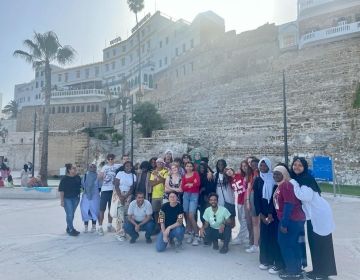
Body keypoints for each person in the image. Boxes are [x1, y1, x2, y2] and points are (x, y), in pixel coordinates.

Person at [291, 157, 337, 280]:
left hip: (319, 214)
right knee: (314, 243)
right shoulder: (300, 178)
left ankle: (324, 273)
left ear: (304, 167)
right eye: (295, 164)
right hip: (313, 215)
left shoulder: (306, 179)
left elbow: (305, 197)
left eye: (300, 165)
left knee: (321, 244)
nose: (296, 167)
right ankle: (317, 270)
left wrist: (294, 184)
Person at [273, 165, 306, 278]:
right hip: (291, 220)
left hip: (290, 220)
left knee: (286, 245)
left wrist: (284, 223)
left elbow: (289, 204)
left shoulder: (286, 185)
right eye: (274, 173)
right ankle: (295, 269)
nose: (275, 176)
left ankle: (293, 272)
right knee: (292, 245)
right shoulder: (281, 185)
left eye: (278, 174)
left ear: (285, 174)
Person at [253, 157, 284, 273]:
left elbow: (274, 197)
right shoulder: (257, 180)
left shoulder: (274, 178)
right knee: (264, 237)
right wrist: (260, 215)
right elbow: (256, 198)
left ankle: (275, 260)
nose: (263, 168)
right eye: (261, 165)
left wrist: (271, 213)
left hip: (273, 213)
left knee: (273, 237)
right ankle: (265, 260)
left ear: (269, 166)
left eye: (265, 166)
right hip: (262, 213)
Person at [97, 154, 121, 235]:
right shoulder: (104, 167)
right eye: (109, 159)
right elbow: (99, 177)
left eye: (112, 159)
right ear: (107, 160)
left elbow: (126, 165)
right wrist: (101, 176)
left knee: (111, 209)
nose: (110, 160)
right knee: (102, 209)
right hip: (105, 190)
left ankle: (109, 225)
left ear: (114, 159)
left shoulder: (118, 166)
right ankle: (100, 227)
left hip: (113, 191)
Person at [113, 161, 136, 241]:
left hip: (128, 196)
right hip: (119, 194)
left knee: (126, 214)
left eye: (130, 166)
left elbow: (132, 188)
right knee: (120, 214)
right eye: (127, 166)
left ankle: (125, 232)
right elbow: (116, 185)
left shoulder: (133, 175)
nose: (128, 167)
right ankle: (119, 233)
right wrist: (121, 196)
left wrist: (126, 197)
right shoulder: (120, 173)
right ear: (124, 166)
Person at [226, 167, 249, 246]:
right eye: (226, 171)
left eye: (229, 169)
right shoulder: (230, 181)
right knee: (240, 219)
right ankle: (246, 235)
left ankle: (241, 238)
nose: (228, 171)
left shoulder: (239, 175)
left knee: (244, 219)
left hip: (245, 198)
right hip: (239, 200)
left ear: (232, 170)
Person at [59, 163, 81, 236]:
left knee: (71, 214)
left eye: (75, 168)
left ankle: (68, 228)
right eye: (73, 168)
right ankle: (71, 229)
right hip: (67, 199)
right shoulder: (64, 179)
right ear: (69, 170)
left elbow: (82, 186)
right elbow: (61, 190)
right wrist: (62, 201)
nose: (75, 169)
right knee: (70, 214)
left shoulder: (77, 177)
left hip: (76, 198)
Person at [181, 161, 201, 245]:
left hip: (194, 195)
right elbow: (183, 187)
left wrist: (189, 184)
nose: (189, 167)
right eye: (187, 166)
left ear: (193, 167)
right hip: (186, 196)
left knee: (191, 215)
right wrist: (191, 184)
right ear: (185, 167)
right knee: (187, 215)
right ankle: (190, 234)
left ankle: (197, 235)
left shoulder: (195, 174)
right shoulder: (184, 176)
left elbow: (197, 184)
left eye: (190, 166)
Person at [214, 160, 236, 226]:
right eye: (219, 164)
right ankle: (223, 235)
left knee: (231, 220)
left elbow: (234, 175)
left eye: (222, 164)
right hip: (220, 200)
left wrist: (229, 172)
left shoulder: (228, 174)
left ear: (225, 165)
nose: (220, 166)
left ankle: (229, 235)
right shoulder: (215, 175)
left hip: (229, 200)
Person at [149, 158, 169, 232]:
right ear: (156, 164)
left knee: (163, 212)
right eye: (158, 163)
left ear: (163, 164)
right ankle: (157, 227)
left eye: (161, 163)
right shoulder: (153, 172)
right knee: (156, 212)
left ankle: (163, 226)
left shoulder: (165, 171)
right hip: (155, 195)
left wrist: (157, 176)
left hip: (163, 194)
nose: (159, 164)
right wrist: (160, 180)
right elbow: (151, 184)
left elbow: (165, 181)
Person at [246, 157, 261, 253]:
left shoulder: (261, 174)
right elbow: (249, 188)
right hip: (252, 197)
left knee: (260, 222)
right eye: (252, 165)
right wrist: (247, 200)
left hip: (259, 197)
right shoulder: (251, 175)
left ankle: (259, 244)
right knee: (255, 222)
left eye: (256, 164)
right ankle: (256, 245)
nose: (254, 166)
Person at [80, 164, 100, 233]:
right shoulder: (85, 176)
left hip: (95, 197)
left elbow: (100, 186)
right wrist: (88, 192)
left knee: (94, 211)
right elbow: (82, 185)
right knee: (85, 211)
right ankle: (86, 227)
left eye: (94, 167)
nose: (92, 168)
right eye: (91, 167)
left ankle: (94, 227)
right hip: (86, 196)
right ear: (88, 168)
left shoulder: (98, 176)